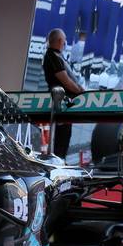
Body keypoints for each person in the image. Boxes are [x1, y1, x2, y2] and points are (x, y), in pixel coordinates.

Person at [42, 28, 86, 157]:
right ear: (60, 40)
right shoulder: (51, 56)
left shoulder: (58, 56)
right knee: (61, 135)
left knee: (65, 134)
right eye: (64, 40)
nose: (65, 42)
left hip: (66, 104)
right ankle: (58, 160)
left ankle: (61, 159)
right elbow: (65, 80)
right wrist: (79, 90)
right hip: (60, 103)